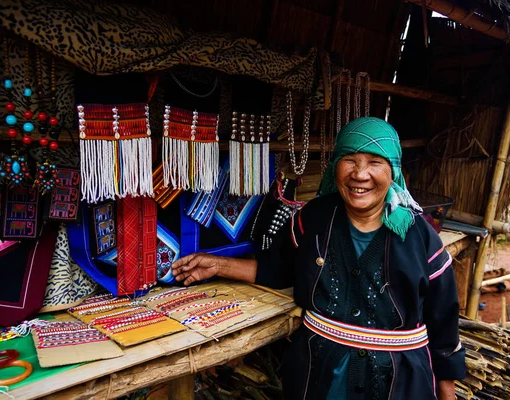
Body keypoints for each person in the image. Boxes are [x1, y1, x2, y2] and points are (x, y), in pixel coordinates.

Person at [171, 117, 465, 400]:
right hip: (318, 377)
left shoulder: (420, 237)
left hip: (398, 382)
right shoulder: (313, 219)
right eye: (350, 159)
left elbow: (444, 322)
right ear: (336, 165)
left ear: (393, 171)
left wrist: (446, 392)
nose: (360, 174)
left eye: (375, 162)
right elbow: (278, 269)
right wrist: (217, 265)